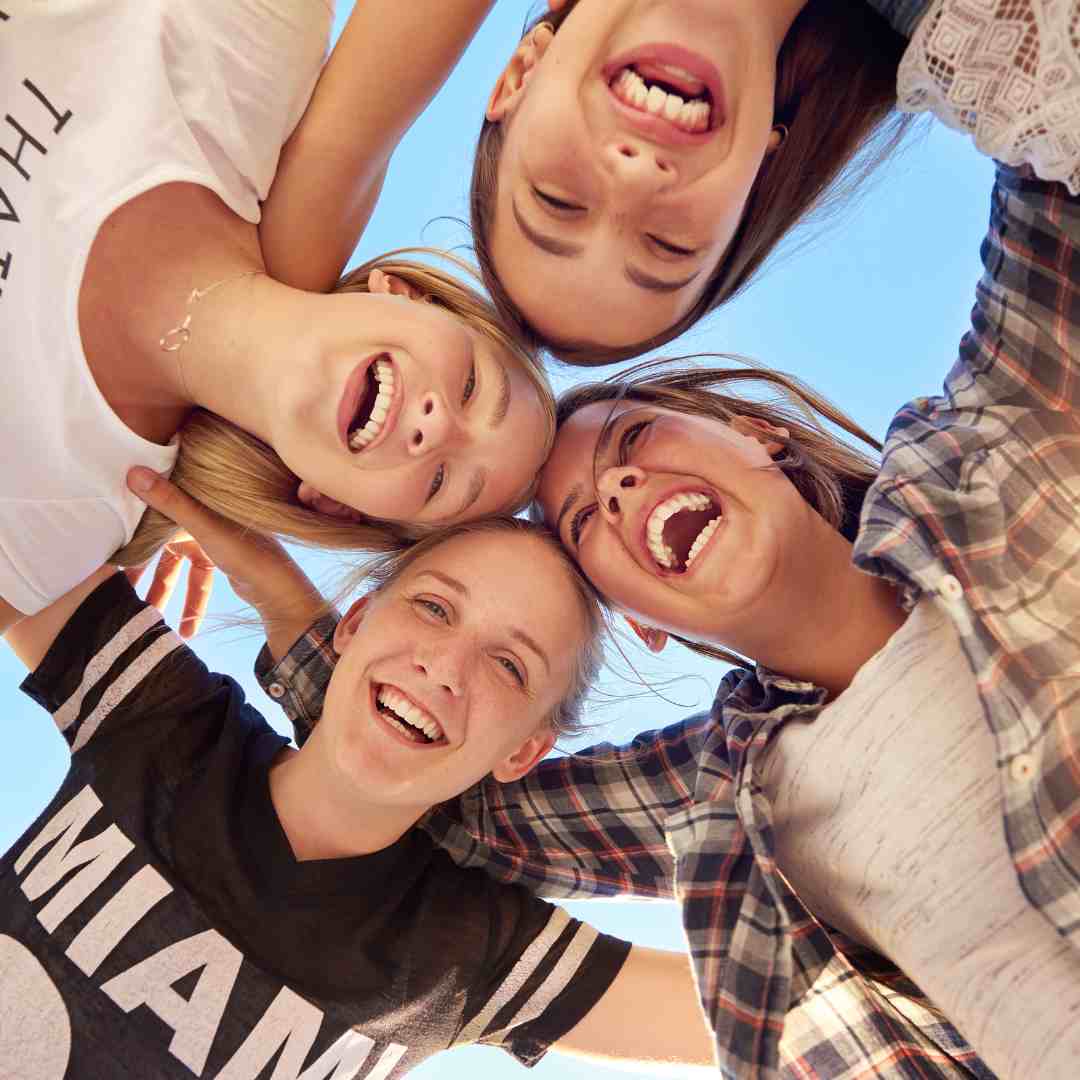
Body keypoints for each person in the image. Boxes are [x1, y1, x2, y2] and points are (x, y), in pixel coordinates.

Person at [228, 161, 1080, 1079]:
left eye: (635, 440)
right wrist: (271, 571)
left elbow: (1047, 141)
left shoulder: (989, 454)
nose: (622, 485)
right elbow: (436, 769)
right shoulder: (716, 794)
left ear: (757, 437)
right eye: (585, 521)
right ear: (641, 620)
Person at [0, 505, 719, 1079]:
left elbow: (791, 1019)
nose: (444, 667)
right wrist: (159, 495)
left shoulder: (469, 950)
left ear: (524, 751)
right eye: (435, 609)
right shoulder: (163, 721)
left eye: (508, 665)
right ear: (353, 622)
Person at [0, 1, 555, 637]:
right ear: (405, 295)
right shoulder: (249, 47)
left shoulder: (60, 523)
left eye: (438, 483)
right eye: (472, 388)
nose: (438, 429)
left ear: (340, 507)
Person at [468, 0, 1080, 363]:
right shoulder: (1018, 65)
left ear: (520, 75)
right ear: (757, 174)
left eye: (557, 201)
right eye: (669, 245)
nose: (633, 177)